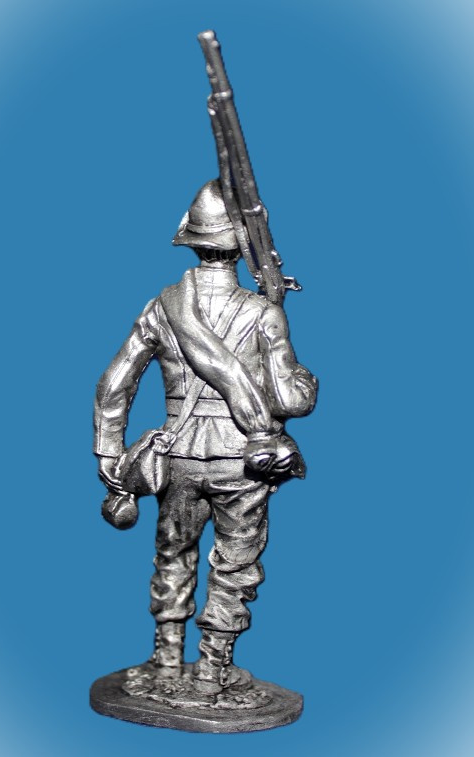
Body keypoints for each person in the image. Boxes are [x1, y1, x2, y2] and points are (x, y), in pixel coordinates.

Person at [93, 179, 318, 694]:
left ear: (191, 240)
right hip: (244, 459)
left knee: (173, 551)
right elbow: (291, 401)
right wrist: (306, 379)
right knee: (235, 561)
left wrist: (109, 451)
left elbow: (114, 383)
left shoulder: (163, 306)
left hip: (177, 455)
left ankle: (166, 659)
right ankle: (213, 669)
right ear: (244, 246)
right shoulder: (263, 312)